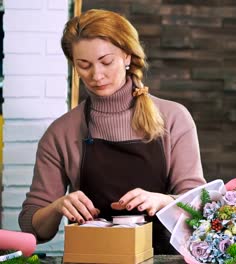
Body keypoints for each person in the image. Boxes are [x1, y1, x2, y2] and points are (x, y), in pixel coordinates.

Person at [18, 9, 206, 254]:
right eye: (83, 65)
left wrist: (163, 201)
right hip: (89, 258)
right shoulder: (61, 132)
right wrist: (57, 206)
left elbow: (201, 207)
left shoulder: (173, 118)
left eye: (106, 62)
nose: (96, 75)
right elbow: (33, 230)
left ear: (127, 56)